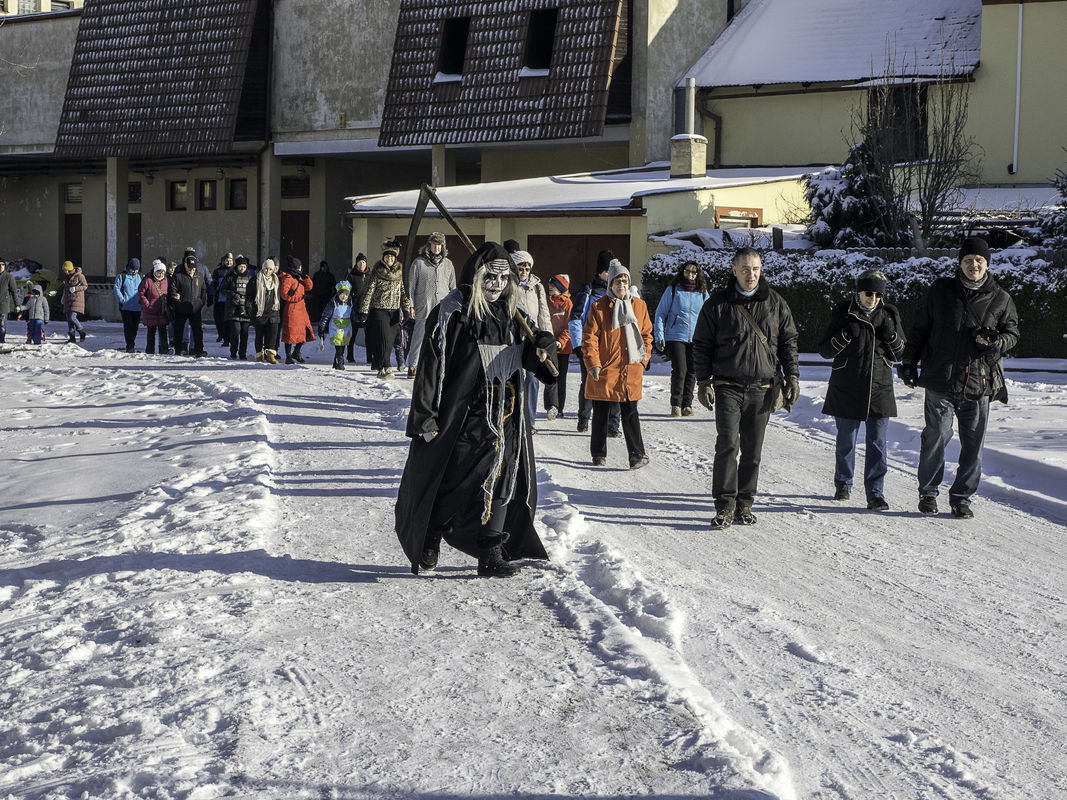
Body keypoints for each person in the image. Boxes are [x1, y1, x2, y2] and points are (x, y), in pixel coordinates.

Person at [395, 242, 557, 578]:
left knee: (503, 479)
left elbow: (534, 362)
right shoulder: (454, 311)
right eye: (490, 278)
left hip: (509, 416)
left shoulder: (515, 314)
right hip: (466, 414)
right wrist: (426, 415)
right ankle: (432, 536)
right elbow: (432, 365)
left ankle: (490, 552)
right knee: (456, 479)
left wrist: (543, 349)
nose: (497, 285)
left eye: (503, 278)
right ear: (477, 276)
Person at [899, 236, 1020, 519]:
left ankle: (962, 498)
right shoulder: (941, 291)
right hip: (940, 379)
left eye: (979, 260)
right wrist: (908, 362)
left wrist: (995, 343)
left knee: (973, 445)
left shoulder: (1001, 298)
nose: (973, 265)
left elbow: (1013, 334)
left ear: (987, 264)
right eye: (968, 260)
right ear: (960, 263)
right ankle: (928, 494)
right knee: (936, 437)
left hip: (978, 383)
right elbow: (920, 330)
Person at [693, 247, 800, 530]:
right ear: (734, 270)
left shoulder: (775, 302)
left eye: (755, 269)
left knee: (753, 451)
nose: (750, 274)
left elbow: (788, 341)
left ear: (760, 269)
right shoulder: (717, 303)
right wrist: (703, 381)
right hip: (728, 385)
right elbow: (702, 343)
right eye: (744, 269)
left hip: (762, 389)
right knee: (727, 445)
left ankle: (745, 503)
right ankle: (725, 506)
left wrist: (793, 376)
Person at [818, 270, 906, 511]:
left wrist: (890, 336)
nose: (873, 299)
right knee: (847, 440)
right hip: (847, 386)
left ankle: (876, 493)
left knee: (878, 443)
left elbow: (900, 353)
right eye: (869, 293)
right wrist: (845, 335)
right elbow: (824, 350)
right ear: (858, 292)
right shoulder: (843, 312)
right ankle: (843, 483)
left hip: (880, 388)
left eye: (878, 294)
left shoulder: (889, 315)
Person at [581, 259, 653, 469]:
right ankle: (598, 453)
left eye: (624, 281)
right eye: (617, 282)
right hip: (605, 368)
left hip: (630, 368)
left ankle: (636, 455)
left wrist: (644, 359)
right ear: (610, 285)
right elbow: (590, 338)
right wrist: (593, 363)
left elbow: (647, 334)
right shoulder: (599, 307)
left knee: (630, 413)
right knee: (601, 413)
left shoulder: (639, 306)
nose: (621, 286)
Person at [569, 250, 622, 435]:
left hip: (614, 348)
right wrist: (577, 345)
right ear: (600, 271)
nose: (610, 275)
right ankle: (584, 418)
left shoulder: (620, 292)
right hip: (591, 347)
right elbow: (575, 318)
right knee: (589, 384)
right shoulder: (588, 290)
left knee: (614, 385)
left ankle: (613, 424)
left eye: (613, 271)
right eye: (607, 271)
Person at [653, 259, 709, 417]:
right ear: (682, 272)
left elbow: (709, 316)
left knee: (692, 371)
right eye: (687, 271)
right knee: (680, 369)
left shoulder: (702, 292)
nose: (690, 275)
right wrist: (659, 335)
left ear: (698, 274)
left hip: (696, 338)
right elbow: (660, 313)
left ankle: (687, 405)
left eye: (693, 272)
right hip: (675, 335)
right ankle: (676, 404)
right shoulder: (673, 290)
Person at [510, 249, 552, 431]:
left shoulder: (537, 286)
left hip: (533, 339)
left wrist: (548, 338)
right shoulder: (508, 285)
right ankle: (513, 418)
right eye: (520, 268)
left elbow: (544, 313)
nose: (524, 272)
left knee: (533, 379)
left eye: (527, 268)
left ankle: (529, 421)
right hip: (513, 338)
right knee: (513, 378)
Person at [360, 239, 413, 379]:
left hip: (394, 311)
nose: (389, 259)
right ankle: (387, 366)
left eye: (391, 257)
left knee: (389, 342)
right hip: (379, 310)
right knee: (383, 338)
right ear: (383, 258)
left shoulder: (400, 272)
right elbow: (369, 291)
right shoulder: (377, 271)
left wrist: (406, 309)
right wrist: (364, 310)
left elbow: (403, 292)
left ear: (395, 258)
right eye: (387, 256)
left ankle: (381, 367)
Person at [407, 232, 456, 379]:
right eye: (434, 244)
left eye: (439, 245)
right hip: (424, 305)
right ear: (429, 245)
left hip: (443, 307)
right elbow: (411, 287)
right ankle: (413, 365)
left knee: (442, 338)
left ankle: (442, 366)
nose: (437, 248)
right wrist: (411, 305)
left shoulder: (448, 264)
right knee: (419, 337)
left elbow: (453, 287)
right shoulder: (419, 263)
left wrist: (454, 306)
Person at [543, 274, 573, 419]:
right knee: (548, 376)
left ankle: (559, 408)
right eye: (550, 285)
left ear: (561, 288)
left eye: (553, 285)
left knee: (561, 378)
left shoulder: (568, 304)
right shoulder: (545, 301)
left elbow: (569, 326)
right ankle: (549, 406)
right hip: (548, 346)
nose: (550, 288)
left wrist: (560, 341)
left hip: (563, 348)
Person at [169, 253, 208, 357]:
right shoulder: (178, 276)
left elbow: (203, 290)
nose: (191, 270)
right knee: (179, 330)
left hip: (195, 308)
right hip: (181, 308)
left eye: (193, 268)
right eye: (189, 268)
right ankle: (178, 350)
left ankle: (199, 350)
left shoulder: (199, 276)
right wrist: (176, 300)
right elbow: (172, 291)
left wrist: (201, 302)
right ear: (185, 265)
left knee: (198, 331)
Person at [280, 256, 316, 364]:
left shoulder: (299, 277)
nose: (301, 268)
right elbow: (284, 294)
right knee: (290, 334)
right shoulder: (288, 278)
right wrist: (297, 298)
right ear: (295, 267)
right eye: (299, 266)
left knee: (305, 332)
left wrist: (306, 277)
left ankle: (296, 351)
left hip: (301, 310)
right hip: (292, 309)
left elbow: (309, 287)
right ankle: (288, 356)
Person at [221, 256, 254, 360]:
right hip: (233, 309)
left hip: (246, 308)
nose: (242, 269)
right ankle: (233, 352)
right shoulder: (230, 276)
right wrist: (233, 295)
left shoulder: (250, 278)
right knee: (235, 331)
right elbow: (223, 290)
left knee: (245, 333)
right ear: (237, 266)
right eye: (240, 266)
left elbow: (253, 293)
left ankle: (243, 353)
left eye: (244, 267)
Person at [318, 280, 354, 370]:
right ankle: (340, 364)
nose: (344, 296)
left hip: (346, 328)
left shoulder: (351, 304)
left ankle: (336, 362)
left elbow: (354, 315)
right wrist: (322, 326)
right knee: (339, 347)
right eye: (342, 294)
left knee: (343, 345)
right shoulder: (333, 303)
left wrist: (361, 318)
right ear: (338, 294)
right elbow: (325, 315)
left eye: (346, 294)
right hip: (335, 328)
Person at [252, 258, 282, 364]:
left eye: (270, 269)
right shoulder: (255, 280)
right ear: (263, 268)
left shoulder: (277, 280)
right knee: (259, 335)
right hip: (260, 311)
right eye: (266, 269)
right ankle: (259, 355)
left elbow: (280, 297)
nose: (268, 272)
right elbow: (249, 296)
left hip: (274, 311)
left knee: (273, 335)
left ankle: (270, 355)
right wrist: (249, 309)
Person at [139, 259, 171, 355]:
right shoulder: (148, 280)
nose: (160, 275)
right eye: (158, 272)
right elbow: (141, 293)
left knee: (163, 332)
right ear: (154, 271)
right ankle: (150, 351)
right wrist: (147, 304)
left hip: (162, 310)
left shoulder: (166, 280)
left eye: (162, 273)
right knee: (151, 332)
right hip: (151, 311)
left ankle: (164, 350)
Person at [344, 254, 371, 364]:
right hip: (355, 308)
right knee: (352, 335)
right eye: (360, 262)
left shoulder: (370, 274)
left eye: (364, 262)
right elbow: (346, 290)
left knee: (369, 335)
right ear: (356, 263)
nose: (362, 264)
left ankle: (370, 357)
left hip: (367, 308)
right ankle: (350, 356)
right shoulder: (351, 275)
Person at [113, 257, 142, 353]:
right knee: (128, 326)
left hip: (137, 307)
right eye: (133, 269)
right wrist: (122, 300)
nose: (134, 271)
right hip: (126, 307)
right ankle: (129, 345)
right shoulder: (122, 276)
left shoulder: (140, 276)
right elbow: (116, 289)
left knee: (135, 327)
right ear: (129, 267)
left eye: (136, 270)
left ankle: (132, 343)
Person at [59, 260, 88, 344]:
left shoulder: (80, 276)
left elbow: (85, 286)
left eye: (65, 270)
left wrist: (75, 289)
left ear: (69, 269)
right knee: (69, 319)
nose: (64, 272)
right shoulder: (66, 277)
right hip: (68, 299)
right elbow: (63, 287)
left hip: (76, 299)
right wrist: (56, 292)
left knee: (72, 317)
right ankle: (72, 338)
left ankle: (82, 331)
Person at [212, 253, 233, 346]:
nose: (229, 262)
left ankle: (229, 338)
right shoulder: (218, 271)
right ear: (224, 261)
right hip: (220, 300)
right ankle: (223, 336)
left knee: (230, 321)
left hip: (231, 300)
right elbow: (213, 284)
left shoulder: (234, 271)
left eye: (231, 261)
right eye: (227, 260)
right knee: (220, 320)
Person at [0, 257, 22, 344]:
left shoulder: (8, 277)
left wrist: (17, 305)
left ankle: (1, 340)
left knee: (2, 324)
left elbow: (14, 292)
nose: (1, 266)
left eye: (2, 264)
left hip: (3, 304)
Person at [308, 260, 336, 327]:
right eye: (323, 267)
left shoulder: (330, 276)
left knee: (326, 311)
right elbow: (313, 285)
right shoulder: (317, 275)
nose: (324, 268)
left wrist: (333, 292)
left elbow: (333, 285)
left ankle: (325, 324)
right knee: (318, 310)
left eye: (325, 267)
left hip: (327, 296)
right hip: (318, 296)